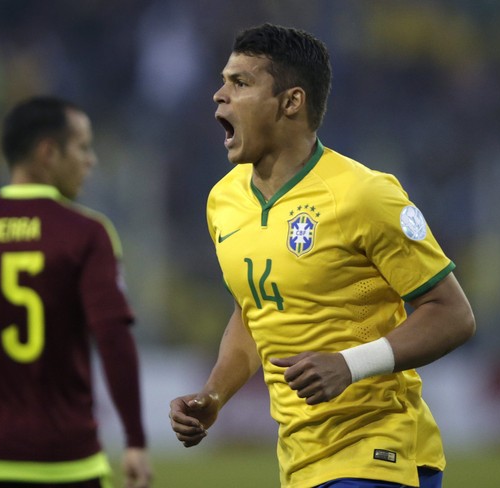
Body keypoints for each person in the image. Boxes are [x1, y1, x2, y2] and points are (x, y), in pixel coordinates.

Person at [168, 23, 475, 488]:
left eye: (241, 83)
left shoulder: (364, 195)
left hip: (379, 452)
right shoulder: (223, 202)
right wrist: (213, 396)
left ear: (291, 102)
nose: (218, 95)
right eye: (223, 80)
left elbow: (453, 315)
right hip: (301, 461)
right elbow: (254, 311)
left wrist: (350, 365)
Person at [0, 96, 152, 488]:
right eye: (82, 147)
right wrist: (135, 440)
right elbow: (113, 337)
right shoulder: (87, 233)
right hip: (67, 464)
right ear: (48, 152)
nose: (91, 161)